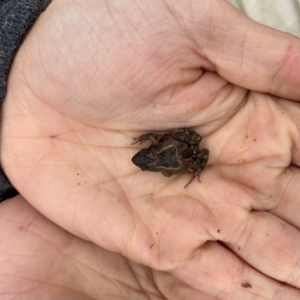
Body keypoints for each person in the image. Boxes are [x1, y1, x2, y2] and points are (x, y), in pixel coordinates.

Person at [2, 0, 300, 298]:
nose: (141, 160)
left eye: (143, 160)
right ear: (147, 164)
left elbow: (166, 156)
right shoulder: (158, 162)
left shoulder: (159, 164)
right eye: (143, 162)